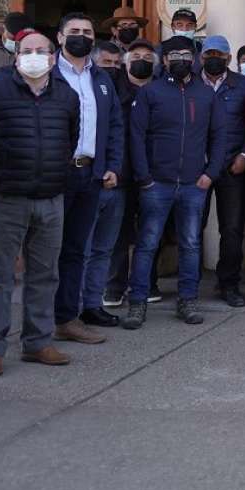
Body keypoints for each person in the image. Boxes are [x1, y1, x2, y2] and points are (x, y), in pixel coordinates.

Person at [0, 30, 79, 375]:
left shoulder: (66, 96)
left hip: (51, 199)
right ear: (17, 57)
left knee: (45, 275)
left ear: (53, 58)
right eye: (27, 51)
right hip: (6, 197)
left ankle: (38, 342)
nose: (34, 56)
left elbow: (70, 138)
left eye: (41, 51)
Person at [122, 36, 227, 329]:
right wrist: (144, 177)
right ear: (164, 60)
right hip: (156, 184)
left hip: (195, 183)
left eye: (186, 53)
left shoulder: (207, 94)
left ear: (194, 59)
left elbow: (219, 136)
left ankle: (188, 299)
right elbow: (137, 136)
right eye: (174, 54)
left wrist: (211, 173)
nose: (181, 58)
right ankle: (138, 302)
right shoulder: (151, 93)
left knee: (191, 244)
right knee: (147, 244)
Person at [53, 12, 124, 347]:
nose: (81, 36)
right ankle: (40, 320)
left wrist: (112, 164)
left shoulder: (101, 79)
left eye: (87, 31)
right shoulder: (47, 74)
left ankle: (68, 318)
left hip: (91, 173)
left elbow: (114, 126)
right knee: (47, 250)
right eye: (74, 31)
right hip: (55, 174)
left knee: (76, 249)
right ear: (59, 37)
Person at [198, 35, 245, 308]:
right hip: (197, 169)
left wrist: (244, 154)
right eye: (209, 53)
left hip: (233, 167)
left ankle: (228, 283)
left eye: (220, 55)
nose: (214, 58)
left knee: (232, 229)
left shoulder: (243, 85)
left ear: (229, 59)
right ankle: (190, 284)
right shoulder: (191, 82)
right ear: (201, 57)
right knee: (192, 228)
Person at [102, 40, 160, 307]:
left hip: (154, 172)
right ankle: (115, 285)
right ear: (125, 62)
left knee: (151, 231)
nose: (142, 60)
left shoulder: (162, 90)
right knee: (118, 232)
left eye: (148, 56)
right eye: (136, 55)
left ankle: (147, 283)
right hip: (121, 172)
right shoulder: (114, 89)